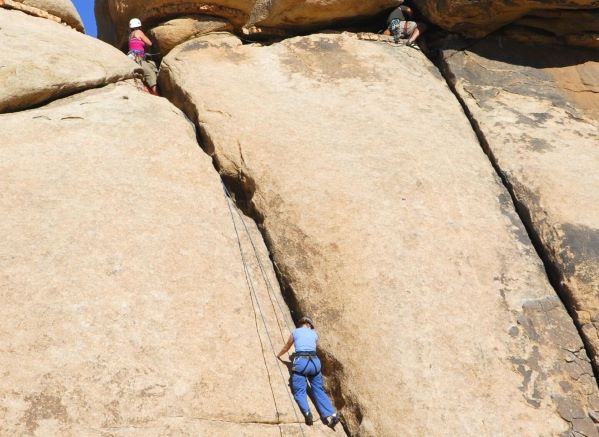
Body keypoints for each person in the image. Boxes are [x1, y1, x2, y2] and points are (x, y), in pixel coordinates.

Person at [276, 316, 340, 429]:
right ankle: (332, 414)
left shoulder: (295, 332)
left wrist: (278, 356)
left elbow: (287, 346)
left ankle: (307, 413)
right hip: (315, 363)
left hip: (302, 363)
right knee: (319, 390)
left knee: (299, 390)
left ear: (300, 323)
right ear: (309, 324)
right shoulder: (314, 334)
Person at [127, 18, 158, 95]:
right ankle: (156, 94)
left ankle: (149, 90)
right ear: (139, 26)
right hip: (138, 58)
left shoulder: (130, 36)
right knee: (151, 75)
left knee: (152, 66)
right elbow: (149, 43)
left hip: (134, 58)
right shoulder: (139, 32)